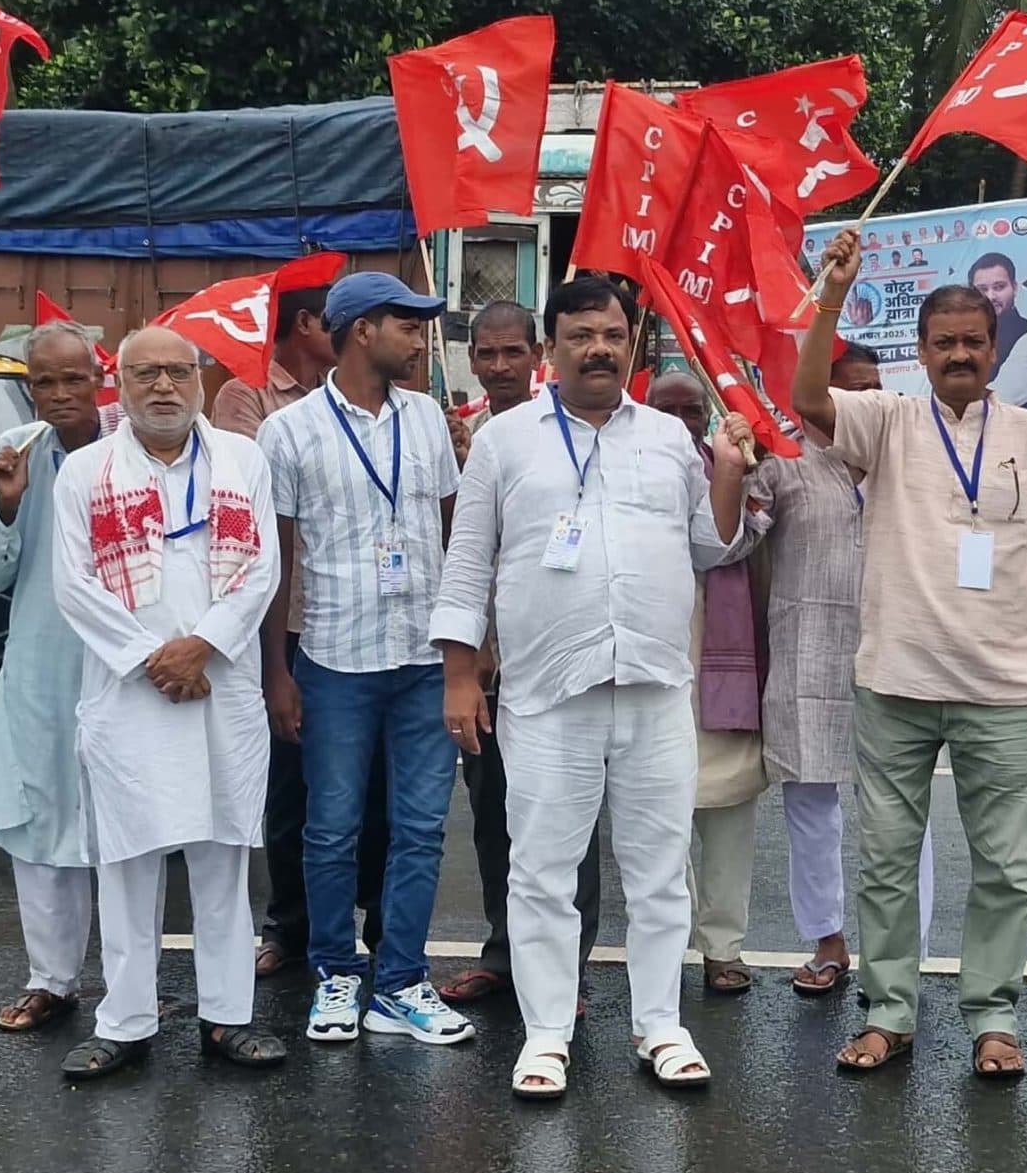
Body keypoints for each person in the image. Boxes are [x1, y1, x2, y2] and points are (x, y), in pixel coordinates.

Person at [432, 276, 755, 1098]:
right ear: (552, 349)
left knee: (657, 870)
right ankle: (545, 1035)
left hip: (652, 688)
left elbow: (712, 550)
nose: (599, 348)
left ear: (631, 344)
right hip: (547, 692)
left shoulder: (666, 439)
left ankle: (661, 1027)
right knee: (541, 868)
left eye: (612, 334)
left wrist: (726, 473)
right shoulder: (506, 442)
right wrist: (460, 675)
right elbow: (467, 564)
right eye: (580, 335)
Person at [794, 229, 1027, 1080]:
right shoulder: (885, 421)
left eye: (973, 342)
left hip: (1003, 688)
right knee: (887, 860)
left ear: (995, 350)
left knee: (1005, 867)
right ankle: (890, 1012)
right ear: (919, 354)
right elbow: (807, 394)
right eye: (944, 343)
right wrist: (834, 294)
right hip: (895, 679)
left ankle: (993, 1016)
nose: (960, 355)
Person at [50, 326, 286, 1078]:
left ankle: (228, 1017)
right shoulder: (85, 472)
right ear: (118, 383)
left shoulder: (243, 459)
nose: (162, 387)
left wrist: (203, 646)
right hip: (132, 692)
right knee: (128, 860)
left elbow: (262, 570)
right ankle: (124, 1021)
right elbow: (73, 584)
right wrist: (156, 659)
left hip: (220, 682)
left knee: (223, 858)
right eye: (145, 373)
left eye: (177, 372)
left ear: (200, 380)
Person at [256, 272, 472, 1047]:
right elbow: (275, 563)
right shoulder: (287, 432)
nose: (419, 340)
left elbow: (458, 541)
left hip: (421, 660)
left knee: (419, 829)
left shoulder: (427, 420)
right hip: (333, 660)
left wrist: (464, 658)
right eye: (406, 326)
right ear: (359, 333)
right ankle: (335, 975)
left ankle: (402, 982)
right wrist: (275, 672)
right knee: (331, 827)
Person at [745, 343, 935, 993]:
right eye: (852, 390)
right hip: (808, 653)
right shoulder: (783, 461)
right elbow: (735, 538)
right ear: (818, 393)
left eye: (876, 389)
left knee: (903, 810)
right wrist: (733, 468)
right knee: (812, 804)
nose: (867, 403)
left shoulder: (907, 460)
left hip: (896, 653)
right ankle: (827, 941)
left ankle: (903, 949)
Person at [214, 279, 389, 979]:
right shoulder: (248, 396)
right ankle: (290, 924)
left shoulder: (374, 402)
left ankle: (376, 921)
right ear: (312, 323)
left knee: (372, 786)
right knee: (295, 785)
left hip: (365, 616)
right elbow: (250, 495)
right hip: (287, 622)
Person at [434, 302, 605, 1006]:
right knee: (495, 813)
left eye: (513, 353)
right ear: (470, 359)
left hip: (557, 655)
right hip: (485, 663)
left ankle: (570, 960)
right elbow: (459, 552)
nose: (499, 366)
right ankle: (504, 953)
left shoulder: (564, 430)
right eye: (487, 354)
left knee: (573, 817)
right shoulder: (451, 432)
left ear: (538, 354)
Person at [0, 324, 107, 1032]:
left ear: (97, 377)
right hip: (41, 668)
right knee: (41, 819)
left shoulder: (133, 444)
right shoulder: (18, 450)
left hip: (122, 665)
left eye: (72, 379)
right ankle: (52, 980)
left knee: (125, 826)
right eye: (44, 382)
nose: (59, 395)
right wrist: (9, 503)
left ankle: (131, 982)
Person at [642, 372, 774, 994]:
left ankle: (724, 949)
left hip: (725, 665)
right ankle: (668, 946)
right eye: (664, 408)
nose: (678, 420)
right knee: (658, 824)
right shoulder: (630, 468)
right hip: (653, 665)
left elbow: (746, 543)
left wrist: (741, 468)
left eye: (690, 410)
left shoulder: (741, 469)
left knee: (727, 817)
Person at [968, 252, 1027, 407]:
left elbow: (1000, 401)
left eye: (999, 287)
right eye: (982, 289)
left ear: (1015, 288)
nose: (991, 296)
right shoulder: (967, 338)